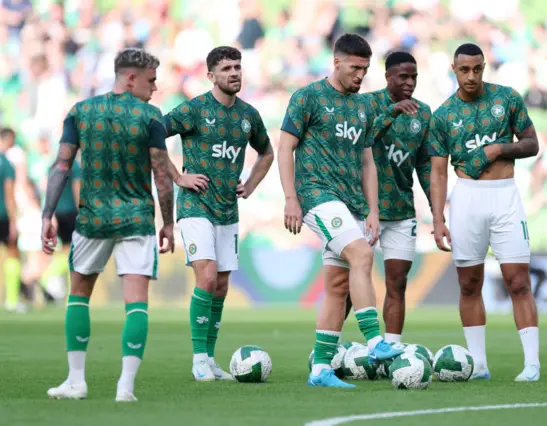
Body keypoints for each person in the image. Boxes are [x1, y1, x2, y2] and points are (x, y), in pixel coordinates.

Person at [41, 48, 176, 402]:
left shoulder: (81, 111)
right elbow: (162, 175)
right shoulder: (151, 116)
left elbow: (61, 166)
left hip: (93, 219)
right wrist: (169, 223)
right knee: (136, 303)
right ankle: (125, 388)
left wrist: (47, 214)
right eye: (150, 80)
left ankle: (76, 381)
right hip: (136, 219)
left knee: (78, 296)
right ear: (130, 78)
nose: (155, 87)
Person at [278, 33, 404, 389]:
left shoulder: (363, 106)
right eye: (355, 67)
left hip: (350, 204)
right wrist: (291, 198)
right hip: (317, 195)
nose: (360, 75)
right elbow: (286, 147)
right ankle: (375, 341)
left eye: (365, 69)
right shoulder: (308, 97)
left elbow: (367, 161)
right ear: (337, 62)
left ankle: (320, 369)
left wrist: (373, 211)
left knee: (336, 285)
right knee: (361, 256)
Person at [429, 43, 540, 382]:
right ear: (454, 69)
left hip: (505, 196)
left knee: (518, 281)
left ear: (483, 66)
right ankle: (478, 364)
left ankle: (532, 363)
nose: (472, 76)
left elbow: (532, 143)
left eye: (477, 69)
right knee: (469, 284)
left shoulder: (507, 99)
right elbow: (437, 171)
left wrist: (498, 148)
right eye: (465, 70)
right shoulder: (443, 115)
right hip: (467, 199)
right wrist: (437, 219)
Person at [163, 46, 274, 382]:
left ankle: (210, 359)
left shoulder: (248, 115)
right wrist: (179, 176)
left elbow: (267, 152)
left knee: (222, 286)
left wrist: (251, 184)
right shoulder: (194, 110)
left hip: (228, 208)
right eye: (226, 68)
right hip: (195, 205)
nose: (234, 73)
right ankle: (198, 358)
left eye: (237, 67)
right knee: (207, 278)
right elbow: (151, 139)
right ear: (211, 75)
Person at [343, 51, 432, 344]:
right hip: (363, 208)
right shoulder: (367, 104)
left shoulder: (424, 113)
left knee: (397, 283)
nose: (409, 83)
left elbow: (424, 166)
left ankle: (391, 350)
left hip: (401, 209)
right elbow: (364, 139)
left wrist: (437, 212)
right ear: (387, 77)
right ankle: (329, 347)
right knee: (347, 286)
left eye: (414, 77)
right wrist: (392, 112)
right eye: (403, 77)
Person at [41, 159, 81, 301]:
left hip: (57, 212)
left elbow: (49, 190)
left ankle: (70, 291)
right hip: (71, 212)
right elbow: (77, 189)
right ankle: (48, 276)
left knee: (67, 250)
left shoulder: (53, 165)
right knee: (73, 253)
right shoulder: (74, 165)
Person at [0, 130, 21, 312]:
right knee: (13, 254)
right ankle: (12, 300)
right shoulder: (7, 165)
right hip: (2, 215)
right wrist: (14, 221)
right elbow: (9, 195)